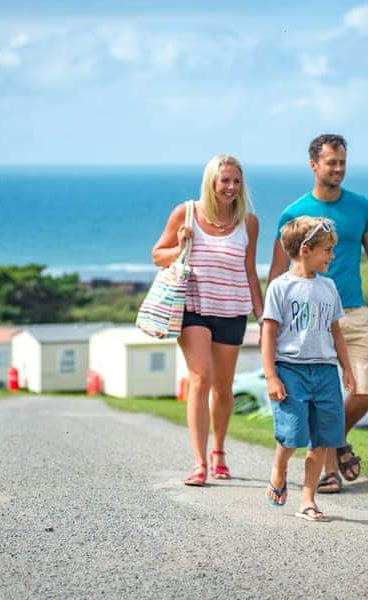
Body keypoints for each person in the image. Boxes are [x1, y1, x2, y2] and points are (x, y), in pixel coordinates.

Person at [267, 133, 368, 494]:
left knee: (366, 389)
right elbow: (278, 272)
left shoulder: (362, 207)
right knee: (315, 399)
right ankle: (327, 465)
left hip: (353, 313)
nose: (338, 169)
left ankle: (336, 442)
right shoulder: (293, 213)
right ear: (314, 165)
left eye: (342, 162)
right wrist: (272, 324)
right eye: (331, 163)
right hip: (307, 321)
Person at [152, 154, 264, 486]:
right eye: (224, 180)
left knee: (224, 389)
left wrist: (263, 314)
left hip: (232, 310)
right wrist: (181, 246)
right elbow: (158, 254)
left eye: (236, 181)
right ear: (211, 182)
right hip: (193, 309)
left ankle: (218, 451)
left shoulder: (249, 222)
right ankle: (199, 463)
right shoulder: (185, 213)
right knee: (200, 378)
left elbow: (249, 270)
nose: (231, 187)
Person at [262, 216, 357, 521]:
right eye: (327, 250)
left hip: (326, 372)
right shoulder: (280, 287)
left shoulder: (329, 287)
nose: (332, 256)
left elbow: (336, 332)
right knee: (293, 434)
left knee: (324, 438)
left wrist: (347, 369)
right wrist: (272, 376)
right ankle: (279, 467)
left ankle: (307, 498)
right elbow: (269, 333)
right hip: (291, 370)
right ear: (305, 250)